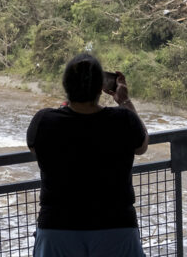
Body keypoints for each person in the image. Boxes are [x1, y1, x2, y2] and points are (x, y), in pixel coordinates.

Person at [26, 53, 149, 257]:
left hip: (57, 228)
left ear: (66, 85)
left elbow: (35, 149)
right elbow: (142, 145)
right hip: (116, 227)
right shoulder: (123, 120)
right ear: (101, 87)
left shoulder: (44, 121)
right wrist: (125, 100)